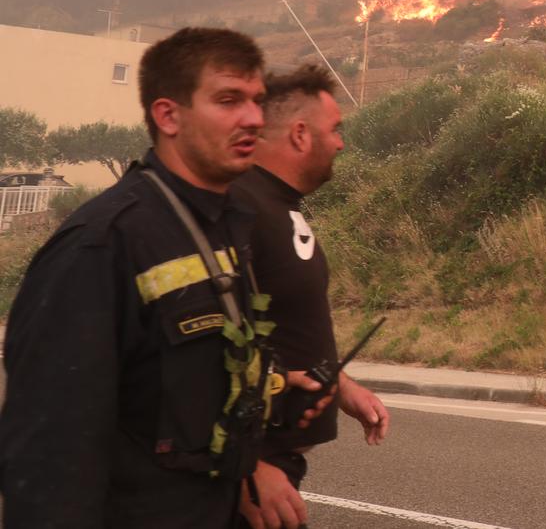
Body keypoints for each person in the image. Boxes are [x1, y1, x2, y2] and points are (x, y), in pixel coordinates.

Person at [0, 27, 319, 528]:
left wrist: (273, 382)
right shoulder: (102, 245)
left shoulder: (227, 221)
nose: (254, 118)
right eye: (229, 100)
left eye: (257, 100)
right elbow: (49, 452)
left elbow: (183, 369)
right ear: (167, 115)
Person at [233, 64, 390, 529]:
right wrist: (246, 472)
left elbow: (276, 327)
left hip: (274, 467)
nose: (341, 142)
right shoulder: (241, 207)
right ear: (300, 134)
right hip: (245, 475)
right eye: (335, 129)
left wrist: (341, 386)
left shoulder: (277, 208)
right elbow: (196, 350)